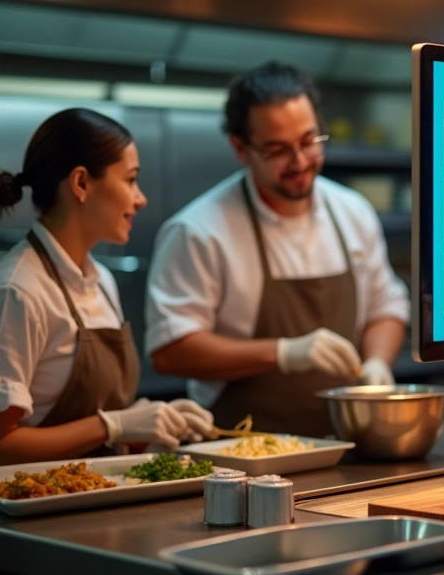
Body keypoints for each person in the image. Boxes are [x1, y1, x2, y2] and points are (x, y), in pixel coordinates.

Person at [146, 62, 409, 437]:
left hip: (346, 443)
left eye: (309, 141)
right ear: (240, 147)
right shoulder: (199, 231)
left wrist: (377, 363)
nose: (300, 161)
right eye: (278, 151)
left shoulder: (352, 212)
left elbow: (386, 307)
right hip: (240, 453)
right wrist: (283, 353)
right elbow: (171, 350)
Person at [0, 109, 213, 468]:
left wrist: (146, 423)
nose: (139, 198)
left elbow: (101, 431)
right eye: (130, 180)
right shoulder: (16, 293)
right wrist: (111, 425)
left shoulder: (101, 281)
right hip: (36, 515)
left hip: (97, 505)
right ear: (81, 183)